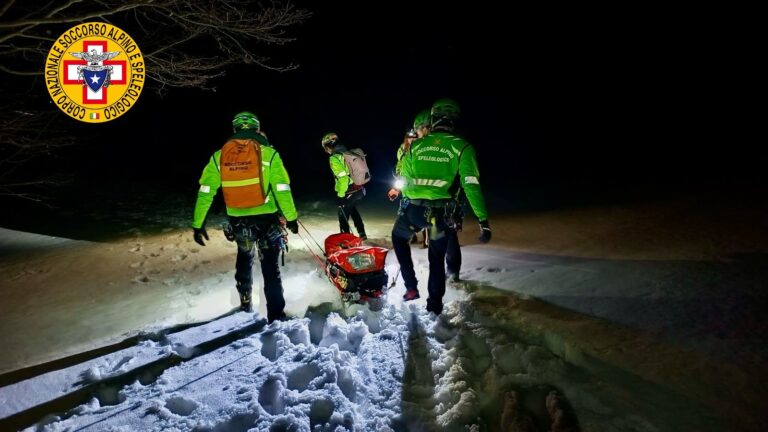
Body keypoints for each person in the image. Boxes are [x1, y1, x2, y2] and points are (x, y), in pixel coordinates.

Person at [192, 111, 299, 323]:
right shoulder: (270, 154)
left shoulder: (219, 155)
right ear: (257, 129)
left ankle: (245, 301)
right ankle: (276, 316)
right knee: (271, 268)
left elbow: (206, 191)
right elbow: (281, 189)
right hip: (267, 219)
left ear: (235, 129)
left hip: (239, 221)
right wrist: (291, 217)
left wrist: (198, 223)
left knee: (244, 257)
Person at [392, 98, 491, 315]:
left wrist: (408, 202)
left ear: (433, 119)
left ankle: (410, 286)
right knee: (436, 258)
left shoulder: (413, 147)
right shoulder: (463, 147)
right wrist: (483, 221)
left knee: (399, 239)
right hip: (443, 215)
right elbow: (471, 186)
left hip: (415, 211)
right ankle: (434, 304)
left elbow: (404, 181)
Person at [321, 132, 367, 240]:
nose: (325, 150)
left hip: (349, 191)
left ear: (328, 146)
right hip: (359, 189)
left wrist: (340, 195)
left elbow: (343, 178)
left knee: (342, 214)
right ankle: (362, 233)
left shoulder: (334, 158)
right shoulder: (348, 152)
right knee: (351, 208)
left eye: (325, 147)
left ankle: (346, 240)